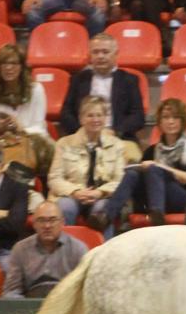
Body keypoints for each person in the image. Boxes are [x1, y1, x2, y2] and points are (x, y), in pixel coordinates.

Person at [99, 98, 186, 231]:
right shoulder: (151, 150)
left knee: (154, 170)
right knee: (133, 174)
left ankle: (157, 216)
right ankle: (106, 216)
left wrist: (159, 166)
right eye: (166, 117)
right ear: (160, 122)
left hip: (182, 199)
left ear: (182, 121)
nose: (170, 121)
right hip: (150, 199)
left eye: (175, 117)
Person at [49, 96, 129, 229]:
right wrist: (75, 192)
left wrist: (100, 192)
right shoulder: (64, 143)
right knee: (65, 207)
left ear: (105, 118)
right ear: (81, 119)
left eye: (99, 115)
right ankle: (66, 248)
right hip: (71, 196)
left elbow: (120, 180)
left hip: (102, 197)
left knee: (102, 209)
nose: (95, 120)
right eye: (90, 115)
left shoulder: (117, 145)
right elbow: (54, 178)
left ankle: (103, 249)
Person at [0, 43, 52, 183]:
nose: (9, 68)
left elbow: (40, 128)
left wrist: (21, 128)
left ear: (22, 67)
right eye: (4, 63)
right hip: (6, 140)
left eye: (14, 63)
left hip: (34, 140)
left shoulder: (36, 90)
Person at [59, 33, 146, 141]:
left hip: (119, 137)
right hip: (82, 136)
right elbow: (66, 113)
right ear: (90, 55)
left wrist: (115, 132)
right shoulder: (78, 79)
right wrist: (82, 131)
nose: (100, 56)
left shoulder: (129, 80)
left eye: (105, 52)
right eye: (95, 52)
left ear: (116, 54)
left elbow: (138, 116)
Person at [1, 200, 89, 298]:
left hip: (66, 305)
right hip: (30, 306)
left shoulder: (78, 249)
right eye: (41, 220)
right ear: (34, 224)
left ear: (62, 222)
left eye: (52, 220)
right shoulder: (20, 249)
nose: (47, 226)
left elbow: (85, 289)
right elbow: (12, 290)